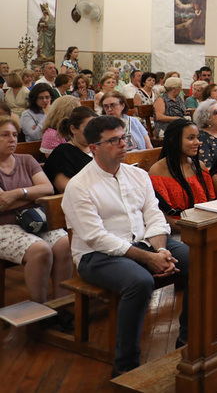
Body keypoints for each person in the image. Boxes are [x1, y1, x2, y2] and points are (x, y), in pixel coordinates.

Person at [63, 115, 189, 376]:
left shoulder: (138, 175)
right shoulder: (79, 186)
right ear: (94, 147)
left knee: (199, 259)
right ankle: (125, 367)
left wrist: (161, 250)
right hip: (96, 256)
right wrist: (147, 257)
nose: (123, 144)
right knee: (139, 281)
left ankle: (188, 341)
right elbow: (95, 237)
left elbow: (153, 215)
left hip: (144, 242)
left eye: (124, 138)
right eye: (114, 140)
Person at [0, 116, 72, 304]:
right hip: (4, 226)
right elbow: (1, 203)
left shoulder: (26, 160)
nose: (12, 139)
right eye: (5, 135)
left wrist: (16, 193)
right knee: (40, 250)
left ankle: (61, 306)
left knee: (65, 243)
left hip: (36, 219)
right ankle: (38, 311)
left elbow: (47, 188)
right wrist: (31, 195)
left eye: (15, 135)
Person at [148, 119, 214, 229]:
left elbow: (211, 202)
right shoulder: (158, 171)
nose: (197, 142)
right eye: (190, 138)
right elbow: (165, 217)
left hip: (205, 223)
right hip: (180, 229)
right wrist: (195, 231)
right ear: (174, 140)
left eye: (197, 137)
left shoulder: (199, 166)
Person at [45, 106, 96, 192]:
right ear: (73, 129)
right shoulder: (62, 154)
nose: (94, 132)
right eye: (88, 128)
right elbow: (64, 187)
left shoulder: (98, 149)